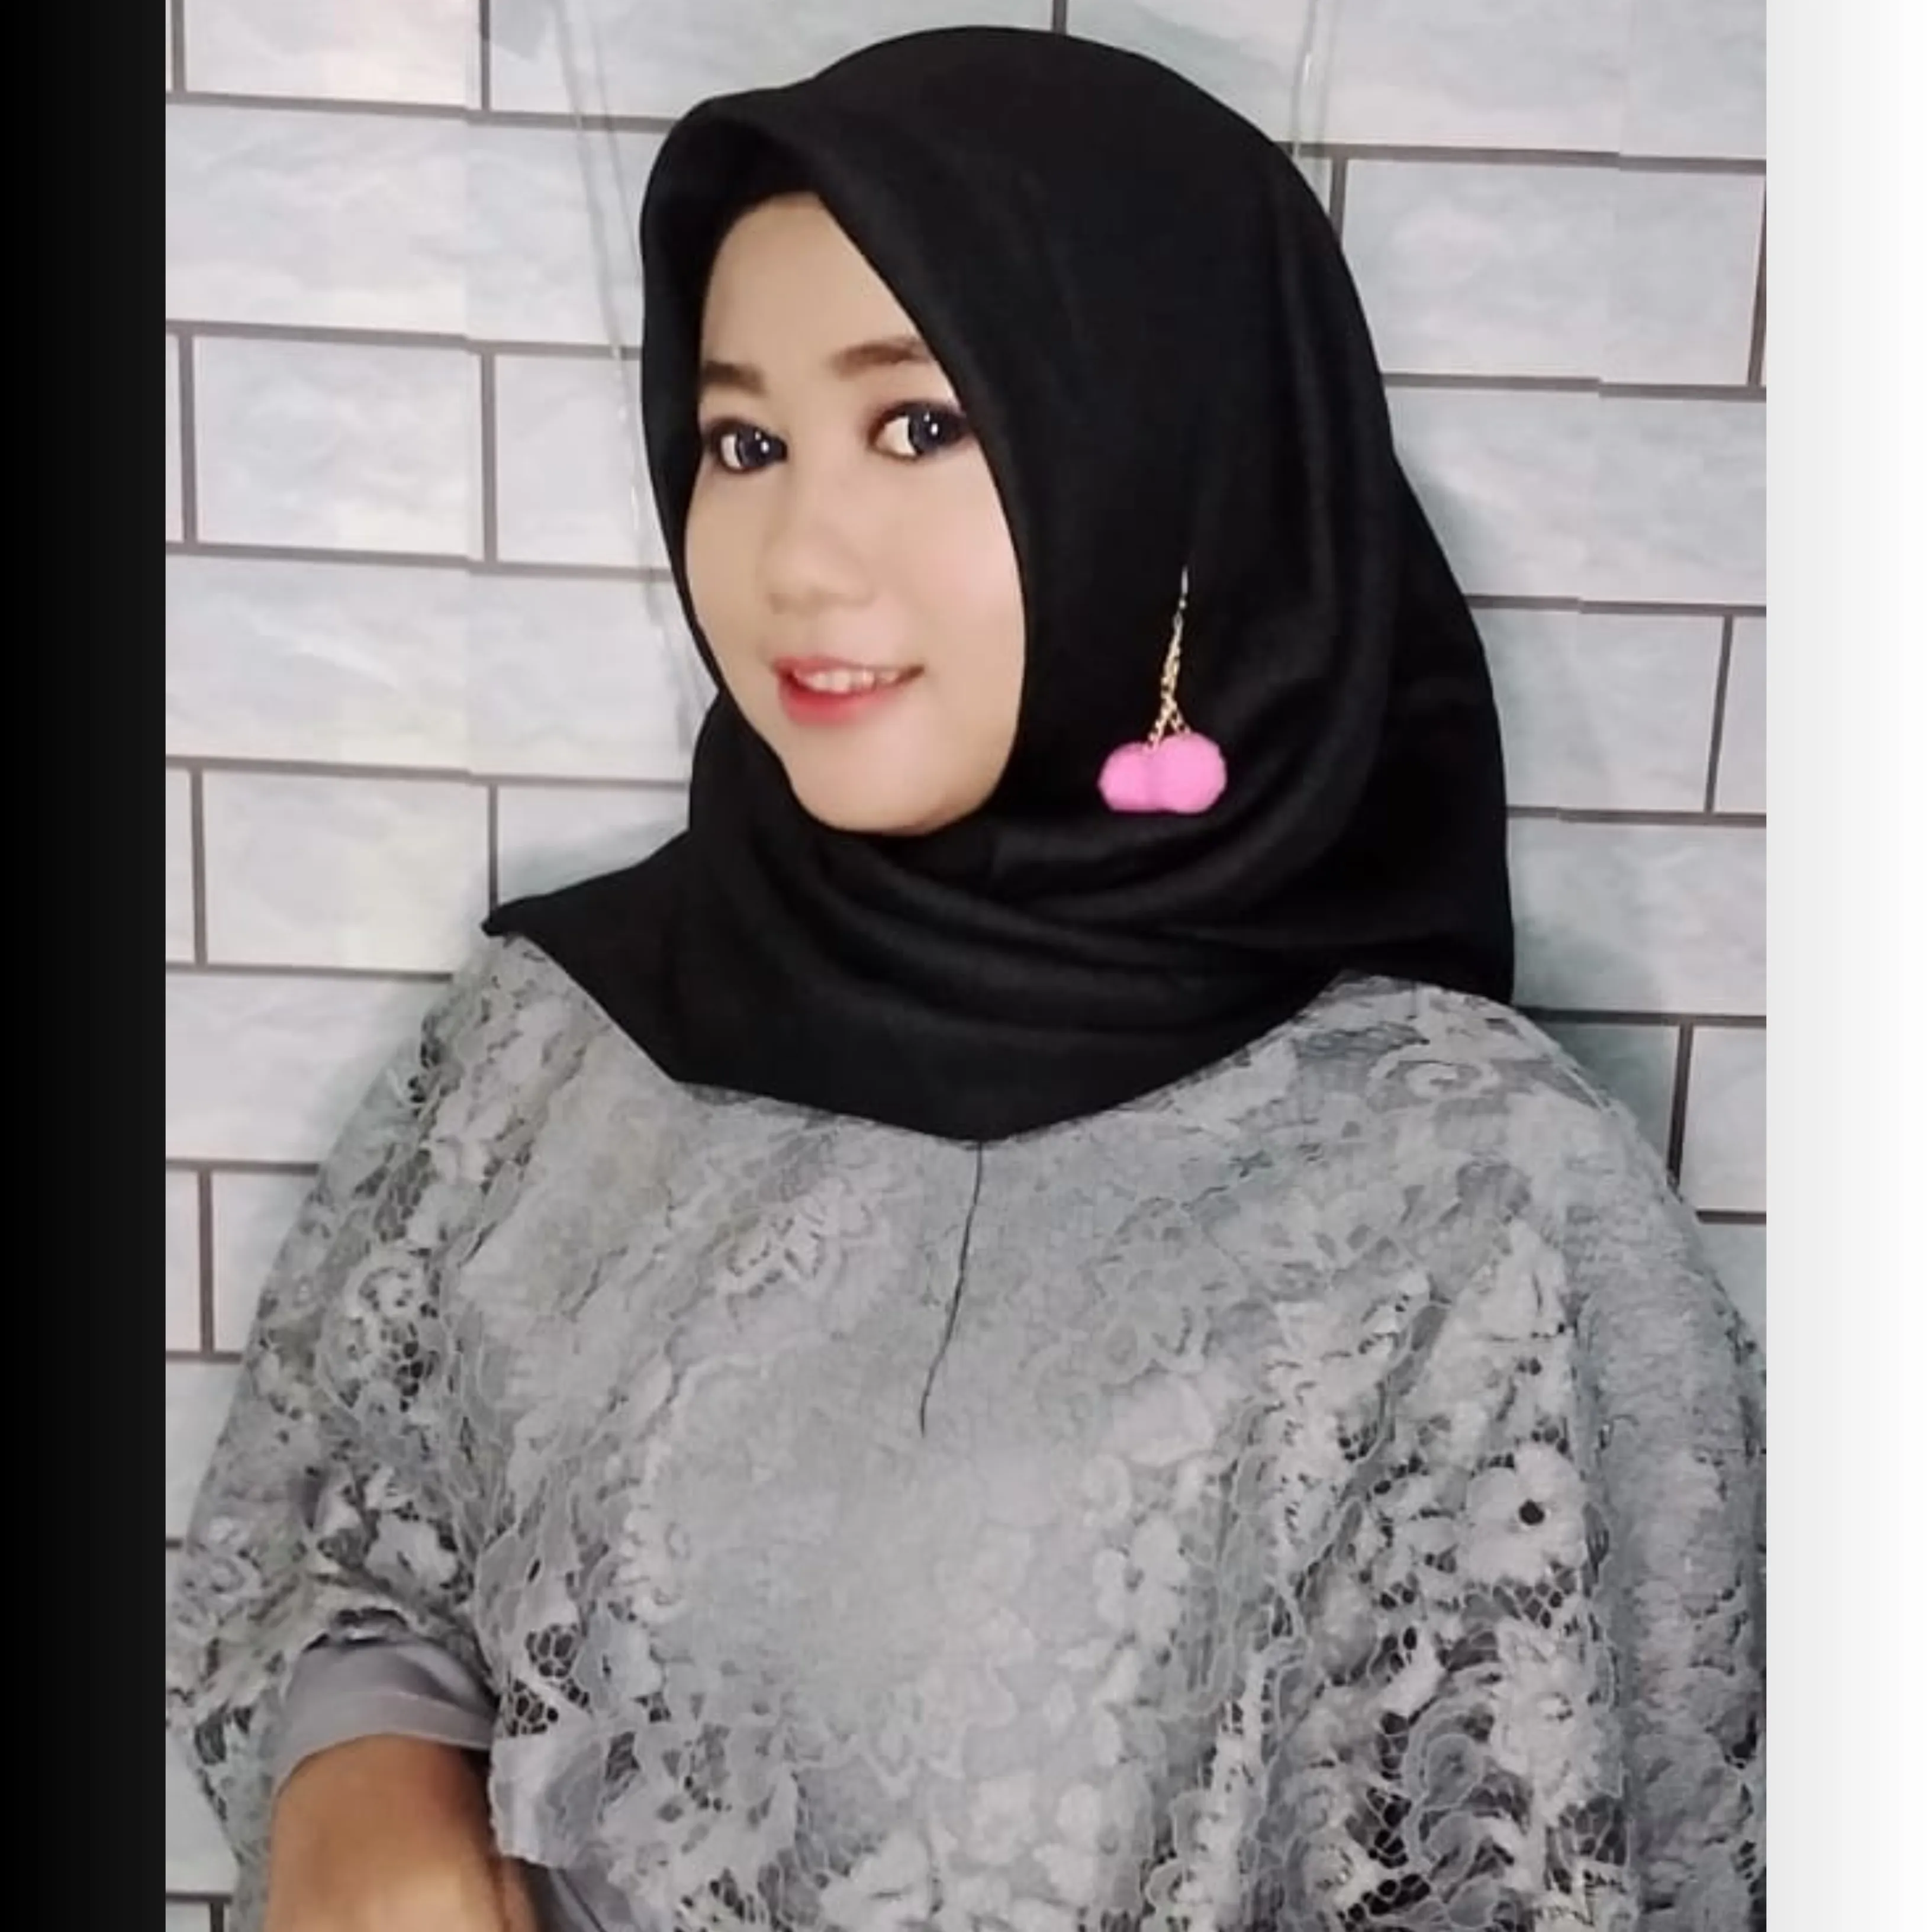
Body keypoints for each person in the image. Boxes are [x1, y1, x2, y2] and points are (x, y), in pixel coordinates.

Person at [166, 26, 1765, 1932]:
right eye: (744, 442)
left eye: (920, 426)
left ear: (1168, 463)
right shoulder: (552, 1036)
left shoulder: (1474, 1204)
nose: (795, 555)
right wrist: (369, 1789)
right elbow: (342, 1518)